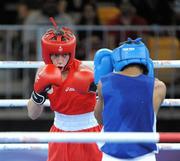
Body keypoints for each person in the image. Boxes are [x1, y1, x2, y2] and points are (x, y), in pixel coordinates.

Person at [27, 18, 102, 161]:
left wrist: (97, 90)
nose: (60, 60)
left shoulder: (87, 71)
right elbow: (32, 114)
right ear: (47, 54)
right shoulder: (43, 72)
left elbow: (106, 112)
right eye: (55, 55)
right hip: (59, 133)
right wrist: (38, 92)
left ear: (71, 53)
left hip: (90, 132)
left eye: (64, 55)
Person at [93, 38, 166, 161]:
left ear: (117, 59)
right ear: (146, 60)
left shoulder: (103, 83)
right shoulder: (158, 87)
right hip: (144, 155)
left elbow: (99, 118)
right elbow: (146, 118)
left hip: (111, 153)